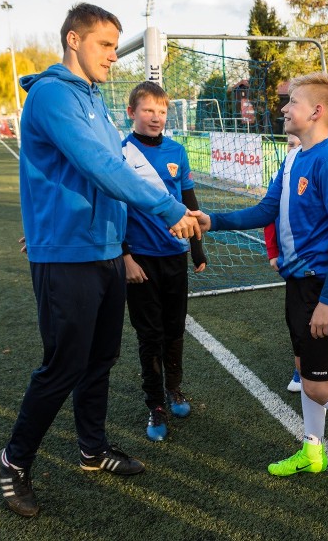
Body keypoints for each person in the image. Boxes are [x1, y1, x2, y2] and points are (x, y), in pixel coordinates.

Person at [0, 3, 201, 518]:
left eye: (114, 45)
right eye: (105, 45)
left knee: (100, 359)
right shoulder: (52, 95)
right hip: (68, 255)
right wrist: (168, 207)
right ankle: (13, 461)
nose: (113, 55)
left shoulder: (91, 99)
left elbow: (119, 164)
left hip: (105, 250)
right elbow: (100, 165)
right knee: (62, 365)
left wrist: (168, 213)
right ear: (73, 40)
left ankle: (92, 448)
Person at [193, 72, 328, 494]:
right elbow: (266, 209)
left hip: (323, 286)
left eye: (291, 102)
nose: (283, 108)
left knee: (318, 383)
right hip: (299, 283)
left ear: (315, 112)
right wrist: (214, 221)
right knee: (306, 368)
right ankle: (313, 450)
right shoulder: (295, 156)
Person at [121, 82, 207, 441]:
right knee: (149, 334)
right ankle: (154, 404)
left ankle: (174, 389)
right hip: (140, 260)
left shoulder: (176, 149)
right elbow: (115, 207)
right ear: (131, 113)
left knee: (174, 330)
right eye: (148, 110)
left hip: (174, 256)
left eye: (162, 111)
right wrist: (126, 257)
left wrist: (197, 248)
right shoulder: (120, 152)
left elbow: (187, 198)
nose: (156, 118)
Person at [268, 134, 305, 393]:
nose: (294, 148)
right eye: (291, 144)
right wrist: (273, 251)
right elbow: (268, 214)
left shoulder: (326, 165)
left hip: (316, 266)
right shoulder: (282, 172)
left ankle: (315, 369)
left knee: (319, 323)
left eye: (298, 144)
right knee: (297, 321)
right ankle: (302, 367)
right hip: (290, 262)